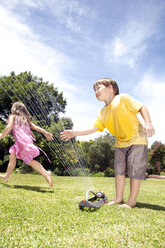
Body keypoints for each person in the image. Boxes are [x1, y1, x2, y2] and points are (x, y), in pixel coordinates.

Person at [60, 78, 155, 208]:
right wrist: (75, 133)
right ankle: (118, 198)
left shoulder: (123, 98)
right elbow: (93, 128)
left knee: (135, 170)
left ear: (110, 88)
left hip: (137, 139)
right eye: (94, 90)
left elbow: (141, 107)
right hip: (120, 143)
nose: (96, 92)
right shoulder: (102, 112)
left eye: (98, 88)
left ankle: (132, 201)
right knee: (119, 171)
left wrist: (148, 122)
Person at [0, 102, 54, 188]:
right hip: (22, 143)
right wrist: (45, 132)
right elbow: (36, 127)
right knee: (12, 154)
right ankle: (6, 176)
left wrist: (1, 136)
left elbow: (8, 127)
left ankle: (46, 174)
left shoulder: (13, 117)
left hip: (22, 143)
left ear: (15, 109)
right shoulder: (25, 119)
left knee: (29, 161)